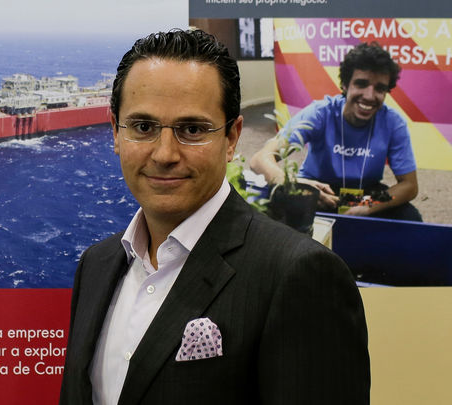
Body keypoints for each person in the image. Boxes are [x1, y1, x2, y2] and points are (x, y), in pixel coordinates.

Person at [59, 29, 369, 405]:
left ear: (233, 138)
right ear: (115, 133)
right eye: (143, 127)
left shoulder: (299, 274)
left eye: (192, 129)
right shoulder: (96, 265)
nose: (164, 154)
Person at [249, 42, 421, 221]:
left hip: (366, 193)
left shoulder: (393, 123)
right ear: (345, 85)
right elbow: (260, 159)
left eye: (379, 88)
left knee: (410, 217)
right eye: (361, 84)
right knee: (271, 211)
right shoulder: (320, 113)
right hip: (315, 189)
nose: (370, 96)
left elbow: (409, 186)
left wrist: (368, 206)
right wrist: (293, 184)